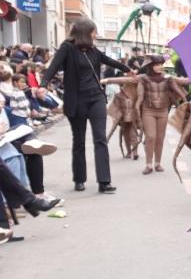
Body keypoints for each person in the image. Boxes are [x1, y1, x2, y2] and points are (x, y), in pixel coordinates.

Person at [40, 18, 132, 194]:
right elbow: (54, 67)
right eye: (94, 31)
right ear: (86, 32)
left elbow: (108, 60)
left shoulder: (92, 50)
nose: (95, 35)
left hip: (96, 98)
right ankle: (79, 179)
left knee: (100, 139)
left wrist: (127, 69)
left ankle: (104, 181)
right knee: (79, 141)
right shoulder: (67, 48)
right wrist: (43, 85)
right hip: (77, 100)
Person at [134, 56, 188, 174]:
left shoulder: (168, 78)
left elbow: (182, 86)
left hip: (163, 111)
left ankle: (157, 163)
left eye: (161, 64)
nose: (159, 67)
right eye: (156, 65)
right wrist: (107, 80)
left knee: (160, 138)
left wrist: (185, 103)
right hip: (148, 111)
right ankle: (148, 165)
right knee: (150, 137)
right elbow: (134, 90)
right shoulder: (143, 79)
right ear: (150, 66)